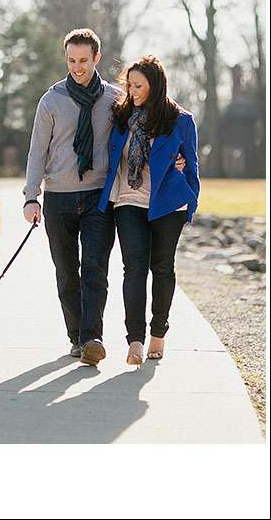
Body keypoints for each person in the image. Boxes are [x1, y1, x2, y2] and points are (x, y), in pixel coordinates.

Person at [22, 29, 122, 366]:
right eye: (71, 60)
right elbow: (37, 152)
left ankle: (93, 338)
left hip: (98, 196)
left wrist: (178, 156)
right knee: (67, 273)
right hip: (59, 198)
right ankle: (77, 337)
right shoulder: (51, 100)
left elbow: (143, 134)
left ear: (97, 58)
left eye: (83, 60)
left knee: (95, 269)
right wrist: (31, 197)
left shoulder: (114, 99)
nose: (77, 67)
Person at [98, 55, 199, 365]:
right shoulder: (121, 116)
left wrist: (190, 200)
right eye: (129, 85)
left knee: (163, 268)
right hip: (128, 201)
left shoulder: (180, 120)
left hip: (168, 205)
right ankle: (135, 340)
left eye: (139, 86)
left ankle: (158, 332)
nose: (133, 91)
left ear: (155, 86)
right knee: (134, 268)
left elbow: (191, 165)